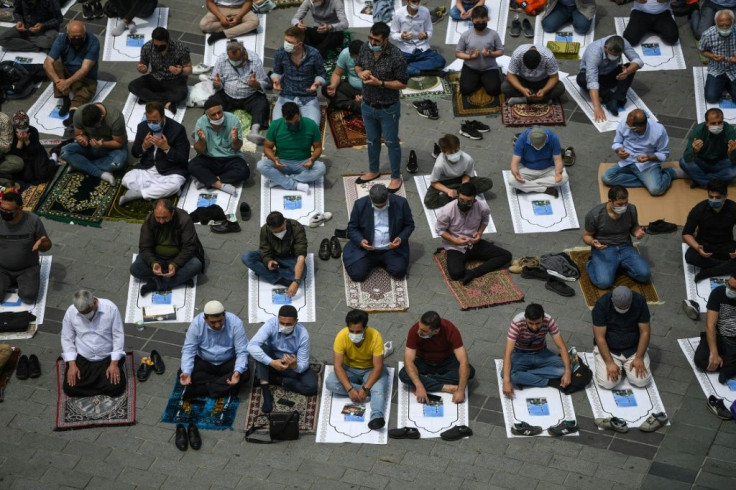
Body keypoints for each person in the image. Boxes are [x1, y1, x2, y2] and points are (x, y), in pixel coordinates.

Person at [354, 22, 408, 193]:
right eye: (370, 38)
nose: (372, 43)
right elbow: (358, 65)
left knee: (392, 142)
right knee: (372, 140)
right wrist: (360, 73)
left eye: (376, 40)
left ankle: (395, 177)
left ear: (385, 40)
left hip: (388, 108)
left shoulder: (397, 56)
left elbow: (402, 84)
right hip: (367, 105)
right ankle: (373, 170)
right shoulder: (365, 47)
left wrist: (381, 83)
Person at [435, 182, 512, 284]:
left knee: (506, 256)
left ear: (474, 200)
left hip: (474, 243)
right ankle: (470, 265)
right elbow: (440, 230)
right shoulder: (447, 211)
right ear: (458, 196)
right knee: (455, 274)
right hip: (455, 246)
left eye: (468, 202)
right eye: (461, 200)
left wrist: (479, 233)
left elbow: (485, 220)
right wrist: (454, 240)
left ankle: (474, 272)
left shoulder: (482, 207)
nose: (464, 204)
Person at [325, 309, 389, 430]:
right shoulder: (341, 336)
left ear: (365, 328)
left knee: (378, 388)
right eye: (351, 331)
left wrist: (365, 389)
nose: (354, 334)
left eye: (358, 331)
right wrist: (350, 389)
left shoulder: (375, 336)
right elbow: (338, 366)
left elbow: (378, 367)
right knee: (330, 383)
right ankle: (373, 393)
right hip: (349, 369)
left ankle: (376, 417)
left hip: (370, 370)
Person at [247, 304, 318, 413]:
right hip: (273, 360)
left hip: (291, 365)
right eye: (282, 323)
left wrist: (295, 366)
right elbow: (251, 346)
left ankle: (279, 380)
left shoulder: (303, 334)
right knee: (260, 349)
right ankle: (266, 393)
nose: (284, 326)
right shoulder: (270, 324)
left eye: (288, 324)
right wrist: (271, 362)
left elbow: (303, 363)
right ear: (278, 319)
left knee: (312, 387)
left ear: (296, 321)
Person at [130, 199, 205, 296]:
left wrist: (175, 264)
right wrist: (153, 263)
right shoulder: (150, 220)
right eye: (158, 218)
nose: (161, 221)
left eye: (164, 217)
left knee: (196, 265)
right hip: (157, 258)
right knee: (135, 269)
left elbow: (189, 247)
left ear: (172, 213)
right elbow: (144, 247)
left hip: (178, 258)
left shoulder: (184, 220)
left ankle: (156, 284)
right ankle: (179, 279)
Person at [120, 101, 190, 205]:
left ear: (163, 117)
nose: (152, 124)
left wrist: (167, 148)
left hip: (170, 170)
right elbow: (135, 153)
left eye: (155, 122)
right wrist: (144, 146)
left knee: (173, 185)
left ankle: (138, 194)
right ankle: (160, 193)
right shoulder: (142, 127)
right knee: (126, 180)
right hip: (148, 168)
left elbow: (183, 158)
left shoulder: (177, 129)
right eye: (149, 121)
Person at [343, 184, 415, 282]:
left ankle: (382, 261)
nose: (380, 208)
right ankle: (376, 261)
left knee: (399, 272)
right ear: (370, 198)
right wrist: (361, 241)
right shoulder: (360, 204)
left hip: (391, 249)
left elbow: (409, 225)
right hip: (368, 250)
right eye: (377, 206)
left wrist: (400, 238)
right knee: (357, 275)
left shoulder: (401, 203)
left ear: (388, 196)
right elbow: (352, 228)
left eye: (382, 205)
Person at [398, 311, 475, 403]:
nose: (419, 332)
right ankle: (445, 387)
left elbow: (463, 361)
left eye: (424, 331)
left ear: (436, 331)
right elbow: (408, 360)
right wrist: (419, 386)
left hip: (446, 361)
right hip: (424, 362)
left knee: (469, 371)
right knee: (403, 374)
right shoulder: (414, 330)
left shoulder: (450, 329)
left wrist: (461, 390)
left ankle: (426, 378)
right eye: (419, 328)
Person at [61, 289, 126, 397]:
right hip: (83, 358)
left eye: (88, 311)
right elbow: (67, 338)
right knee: (69, 388)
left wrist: (114, 364)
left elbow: (118, 336)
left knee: (116, 388)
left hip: (107, 358)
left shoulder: (111, 309)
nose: (87, 317)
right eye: (82, 314)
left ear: (95, 302)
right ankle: (98, 385)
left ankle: (92, 385)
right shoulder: (71, 312)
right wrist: (72, 365)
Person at [583, 185, 650, 289]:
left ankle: (619, 266)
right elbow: (586, 236)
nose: (624, 206)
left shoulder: (631, 209)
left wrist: (637, 232)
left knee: (645, 275)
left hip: (625, 247)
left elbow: (634, 227)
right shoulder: (594, 215)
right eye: (620, 204)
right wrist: (593, 242)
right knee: (603, 283)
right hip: (604, 249)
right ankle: (592, 264)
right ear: (610, 201)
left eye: (626, 203)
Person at [180, 300, 249, 398]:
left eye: (220, 321)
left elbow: (242, 351)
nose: (217, 325)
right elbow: (188, 350)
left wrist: (237, 371)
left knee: (244, 373)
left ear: (224, 316)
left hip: (228, 361)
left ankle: (204, 389)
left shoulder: (235, 323)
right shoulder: (196, 324)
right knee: (183, 372)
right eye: (212, 322)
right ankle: (221, 384)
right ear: (205, 319)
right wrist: (186, 371)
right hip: (205, 361)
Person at [502, 303, 572, 397]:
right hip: (521, 354)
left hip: (541, 353)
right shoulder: (517, 322)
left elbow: (561, 347)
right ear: (525, 318)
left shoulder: (549, 320)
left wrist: (567, 372)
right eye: (530, 323)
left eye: (538, 323)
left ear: (543, 318)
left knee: (566, 369)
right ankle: (548, 381)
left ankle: (526, 374)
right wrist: (506, 381)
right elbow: (508, 352)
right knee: (506, 375)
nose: (534, 327)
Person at [602, 109, 675, 196]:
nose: (626, 127)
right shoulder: (625, 123)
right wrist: (619, 150)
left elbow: (664, 154)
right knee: (607, 178)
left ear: (640, 127)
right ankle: (648, 181)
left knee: (656, 190)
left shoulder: (659, 131)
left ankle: (669, 173)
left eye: (630, 127)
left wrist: (649, 157)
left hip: (648, 165)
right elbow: (617, 143)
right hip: (628, 161)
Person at [210, 40, 270, 145]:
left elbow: (265, 83)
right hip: (228, 94)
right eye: (231, 60)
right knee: (212, 102)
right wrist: (217, 84)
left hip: (250, 95)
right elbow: (217, 83)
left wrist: (255, 84)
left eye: (237, 60)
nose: (234, 63)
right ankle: (206, 127)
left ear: (244, 54)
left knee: (262, 104)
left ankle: (254, 131)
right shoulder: (222, 59)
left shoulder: (254, 60)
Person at [257, 102, 326, 193]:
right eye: (289, 123)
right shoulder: (275, 125)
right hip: (282, 163)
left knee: (321, 168)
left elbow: (318, 148)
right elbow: (267, 148)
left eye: (296, 121)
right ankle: (295, 184)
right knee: (261, 165)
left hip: (303, 163)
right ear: (283, 117)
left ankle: (282, 181)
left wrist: (312, 159)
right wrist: (274, 159)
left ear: (300, 114)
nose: (293, 125)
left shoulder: (311, 124)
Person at [592, 286, 652, 390]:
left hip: (633, 349)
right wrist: (609, 362)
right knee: (608, 383)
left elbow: (645, 332)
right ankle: (613, 364)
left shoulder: (640, 301)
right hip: (610, 351)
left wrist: (639, 357)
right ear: (612, 301)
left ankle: (626, 366)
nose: (623, 310)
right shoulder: (601, 305)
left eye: (626, 307)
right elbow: (599, 337)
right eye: (620, 307)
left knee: (642, 381)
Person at [43, 20, 100, 127]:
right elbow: (47, 62)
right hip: (67, 71)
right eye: (74, 37)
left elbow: (85, 69)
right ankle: (65, 99)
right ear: (68, 34)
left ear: (84, 33)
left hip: (86, 77)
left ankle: (73, 114)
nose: (77, 39)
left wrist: (68, 82)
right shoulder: (61, 39)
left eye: (80, 37)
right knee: (55, 65)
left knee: (83, 94)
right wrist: (58, 81)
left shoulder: (93, 42)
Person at [188, 98, 250, 196]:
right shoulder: (201, 123)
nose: (217, 117)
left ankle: (207, 180)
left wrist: (235, 140)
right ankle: (219, 185)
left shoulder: (233, 120)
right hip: (209, 157)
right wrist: (201, 140)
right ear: (207, 116)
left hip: (230, 158)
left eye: (219, 112)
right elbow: (199, 151)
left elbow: (236, 148)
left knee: (244, 171)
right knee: (192, 165)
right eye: (213, 115)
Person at [0, 191, 52, 304]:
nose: (4, 212)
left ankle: (20, 282)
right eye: (2, 209)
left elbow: (46, 245)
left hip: (27, 268)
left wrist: (42, 244)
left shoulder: (33, 221)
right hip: (2, 268)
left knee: (29, 298)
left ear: (20, 208)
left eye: (8, 211)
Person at [241, 211, 308, 297]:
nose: (278, 233)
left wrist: (296, 281)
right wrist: (268, 261)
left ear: (285, 222)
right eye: (275, 232)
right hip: (274, 256)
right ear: (269, 227)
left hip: (290, 258)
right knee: (247, 257)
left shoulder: (296, 228)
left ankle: (271, 275)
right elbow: (264, 249)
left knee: (301, 274)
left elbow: (301, 257)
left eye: (281, 230)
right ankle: (280, 278)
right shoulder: (265, 229)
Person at [270, 26, 327, 125]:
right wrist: (276, 80)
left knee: (312, 126)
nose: (286, 44)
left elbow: (322, 73)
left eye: (290, 42)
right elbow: (277, 71)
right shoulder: (281, 52)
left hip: (308, 97)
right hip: (287, 94)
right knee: (277, 125)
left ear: (300, 44)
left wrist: (316, 83)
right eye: (285, 40)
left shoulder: (314, 54)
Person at [577, 35, 642, 121]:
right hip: (595, 75)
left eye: (618, 55)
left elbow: (638, 60)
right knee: (582, 79)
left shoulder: (623, 43)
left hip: (611, 72)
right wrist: (597, 107)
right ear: (605, 48)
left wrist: (628, 71)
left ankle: (616, 98)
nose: (615, 57)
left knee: (631, 67)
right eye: (613, 54)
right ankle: (609, 98)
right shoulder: (594, 53)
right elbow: (592, 81)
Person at [59, 102, 128, 185]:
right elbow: (78, 134)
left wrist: (102, 144)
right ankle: (101, 174)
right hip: (90, 145)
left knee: (117, 163)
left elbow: (119, 143)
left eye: (94, 127)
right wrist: (83, 140)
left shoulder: (115, 118)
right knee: (65, 151)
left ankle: (79, 164)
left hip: (111, 148)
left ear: (101, 118)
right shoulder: (79, 114)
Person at [128, 27, 192, 115]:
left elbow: (189, 69)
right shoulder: (147, 47)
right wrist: (142, 68)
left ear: (168, 41)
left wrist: (180, 71)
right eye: (156, 45)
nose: (158, 48)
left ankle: (150, 98)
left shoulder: (180, 48)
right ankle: (165, 103)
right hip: (156, 77)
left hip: (175, 80)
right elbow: (144, 65)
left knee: (181, 95)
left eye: (162, 46)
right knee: (133, 86)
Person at [682, 179, 736, 281]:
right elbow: (686, 233)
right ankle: (725, 266)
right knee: (690, 257)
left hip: (726, 244)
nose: (714, 200)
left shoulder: (733, 208)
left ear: (725, 196)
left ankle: (708, 272)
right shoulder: (699, 209)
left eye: (718, 197)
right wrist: (697, 247)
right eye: (711, 197)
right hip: (704, 245)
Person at [424, 133, 493, 209]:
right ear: (444, 152)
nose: (455, 154)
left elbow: (467, 175)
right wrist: (448, 191)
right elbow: (434, 183)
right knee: (429, 202)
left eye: (456, 150)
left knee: (487, 183)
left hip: (461, 179)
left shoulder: (468, 159)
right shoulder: (439, 165)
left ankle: (461, 196)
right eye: (450, 152)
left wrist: (464, 186)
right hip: (445, 183)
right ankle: (464, 196)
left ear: (459, 147)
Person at [455, 5, 504, 97]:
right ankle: (480, 80)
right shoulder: (465, 35)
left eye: (483, 21)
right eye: (477, 22)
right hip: (470, 68)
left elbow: (501, 51)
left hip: (489, 68)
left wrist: (490, 53)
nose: (480, 24)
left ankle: (483, 80)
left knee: (494, 90)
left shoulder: (493, 34)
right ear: (472, 20)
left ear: (487, 19)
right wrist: (470, 56)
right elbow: (458, 53)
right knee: (465, 90)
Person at [695, 273, 736, 383]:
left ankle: (728, 364)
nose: (730, 289)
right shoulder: (718, 293)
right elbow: (710, 325)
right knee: (701, 360)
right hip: (720, 337)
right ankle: (728, 363)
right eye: (729, 285)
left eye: (734, 288)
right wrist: (714, 352)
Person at [681, 108, 736, 188]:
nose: (717, 126)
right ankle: (713, 183)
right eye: (713, 123)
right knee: (683, 162)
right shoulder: (698, 131)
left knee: (733, 172)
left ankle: (700, 181)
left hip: (721, 162)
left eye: (720, 122)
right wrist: (694, 151)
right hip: (701, 161)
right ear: (706, 123)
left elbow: (734, 160)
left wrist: (731, 152)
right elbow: (686, 157)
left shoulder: (729, 130)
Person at [390, 0, 446, 77]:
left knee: (440, 61)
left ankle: (409, 68)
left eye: (418, 1)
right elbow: (393, 34)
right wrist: (401, 36)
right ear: (407, 1)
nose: (416, 4)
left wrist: (425, 35)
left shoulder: (425, 12)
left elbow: (429, 30)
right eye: (413, 1)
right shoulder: (398, 13)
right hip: (405, 50)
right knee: (392, 67)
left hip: (421, 48)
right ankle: (427, 72)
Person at [508, 127, 568, 197]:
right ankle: (544, 189)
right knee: (512, 180)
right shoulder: (521, 139)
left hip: (548, 168)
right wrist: (516, 174)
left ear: (546, 139)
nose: (538, 147)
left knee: (564, 178)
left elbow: (558, 160)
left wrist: (558, 173)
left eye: (540, 145)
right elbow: (514, 162)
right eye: (535, 145)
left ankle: (527, 187)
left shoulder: (553, 138)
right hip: (527, 169)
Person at [501, 44, 566, 106]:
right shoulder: (518, 54)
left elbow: (554, 77)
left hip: (542, 81)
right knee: (505, 87)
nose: (531, 73)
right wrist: (522, 89)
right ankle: (543, 99)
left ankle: (524, 99)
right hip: (523, 80)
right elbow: (510, 75)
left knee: (560, 88)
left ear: (540, 60)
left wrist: (544, 90)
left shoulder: (548, 57)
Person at [6, 111, 57, 186]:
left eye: (24, 129)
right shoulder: (10, 134)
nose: (22, 132)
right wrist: (20, 141)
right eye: (20, 129)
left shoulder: (33, 130)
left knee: (43, 175)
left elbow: (36, 150)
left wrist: (26, 140)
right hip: (22, 157)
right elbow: (15, 154)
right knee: (28, 177)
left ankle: (53, 160)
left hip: (36, 153)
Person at [699, 10, 736, 104]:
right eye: (721, 25)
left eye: (727, 25)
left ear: (732, 22)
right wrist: (712, 56)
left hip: (734, 69)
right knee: (711, 98)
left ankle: (728, 84)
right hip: (716, 69)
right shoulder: (707, 34)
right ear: (716, 24)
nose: (724, 28)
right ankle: (726, 84)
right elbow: (702, 51)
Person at [324, 40, 364, 114]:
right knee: (326, 88)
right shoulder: (345, 53)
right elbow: (337, 73)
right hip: (350, 87)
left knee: (374, 105)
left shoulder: (373, 57)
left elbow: (379, 85)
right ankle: (352, 104)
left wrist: (364, 97)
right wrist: (333, 86)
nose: (355, 60)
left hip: (368, 90)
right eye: (353, 58)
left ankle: (349, 104)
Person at [0, 113, 25, 188]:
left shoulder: (3, 120)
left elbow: (6, 146)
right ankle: (4, 181)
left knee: (18, 163)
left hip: (1, 154)